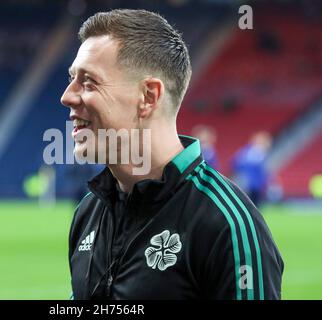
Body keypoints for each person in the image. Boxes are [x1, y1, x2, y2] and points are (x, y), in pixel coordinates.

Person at [60, 9, 283, 300]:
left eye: (89, 82)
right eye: (72, 78)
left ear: (148, 96)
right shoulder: (89, 212)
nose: (67, 96)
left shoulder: (227, 224)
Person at [231, 131, 273, 207]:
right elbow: (235, 163)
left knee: (253, 206)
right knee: (251, 205)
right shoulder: (250, 152)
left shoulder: (258, 153)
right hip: (249, 184)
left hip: (255, 185)